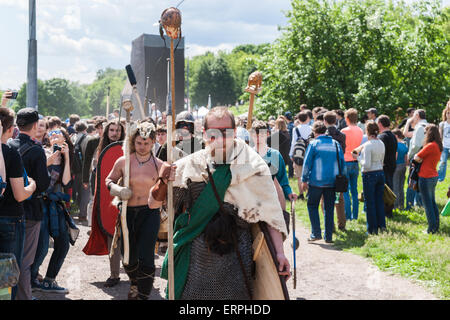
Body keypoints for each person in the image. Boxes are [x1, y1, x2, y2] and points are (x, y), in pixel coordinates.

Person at [149, 106, 290, 300]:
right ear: (205, 134)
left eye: (226, 132)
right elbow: (153, 204)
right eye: (214, 133)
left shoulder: (253, 166)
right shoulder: (189, 166)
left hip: (237, 258)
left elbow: (270, 215)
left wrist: (280, 254)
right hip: (196, 257)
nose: (221, 138)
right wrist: (163, 181)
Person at [106, 121, 163, 300]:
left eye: (146, 143)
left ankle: (143, 295)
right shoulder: (124, 161)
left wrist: (171, 179)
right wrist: (117, 190)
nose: (142, 146)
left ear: (153, 142)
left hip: (150, 213)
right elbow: (109, 180)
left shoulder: (159, 164)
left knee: (146, 255)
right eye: (139, 143)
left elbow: (168, 191)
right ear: (133, 142)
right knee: (128, 258)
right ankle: (135, 283)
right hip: (127, 214)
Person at [8, 108, 51, 300]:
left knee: (7, 259)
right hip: (30, 211)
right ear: (35, 126)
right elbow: (42, 184)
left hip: (6, 209)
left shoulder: (7, 145)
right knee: (24, 261)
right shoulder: (36, 150)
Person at [83, 120, 125, 288]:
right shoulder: (100, 150)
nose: (115, 133)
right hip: (108, 199)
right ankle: (114, 274)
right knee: (111, 235)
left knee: (131, 237)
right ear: (107, 132)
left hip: (127, 197)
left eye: (118, 130)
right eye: (112, 130)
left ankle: (136, 272)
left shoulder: (129, 150)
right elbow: (101, 178)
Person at [0, 109, 37, 300]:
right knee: (7, 274)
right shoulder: (11, 154)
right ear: (10, 129)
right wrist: (31, 185)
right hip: (10, 219)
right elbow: (20, 195)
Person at [30, 128, 72, 294]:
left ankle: (49, 280)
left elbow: (67, 182)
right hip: (40, 203)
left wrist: (66, 157)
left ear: (64, 139)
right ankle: (31, 280)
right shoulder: (41, 152)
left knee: (63, 243)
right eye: (52, 135)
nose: (55, 137)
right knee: (41, 247)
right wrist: (50, 158)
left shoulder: (65, 156)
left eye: (59, 135)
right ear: (48, 137)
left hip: (55, 206)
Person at [301, 121, 345, 243]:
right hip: (332, 181)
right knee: (329, 208)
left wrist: (303, 180)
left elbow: (307, 163)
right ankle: (328, 236)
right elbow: (342, 162)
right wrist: (343, 178)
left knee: (312, 206)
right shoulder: (336, 144)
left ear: (315, 132)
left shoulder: (314, 144)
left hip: (316, 181)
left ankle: (316, 233)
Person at [251, 120, 297, 206]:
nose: (258, 139)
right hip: (252, 199)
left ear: (267, 134)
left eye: (261, 135)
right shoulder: (248, 155)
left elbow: (282, 179)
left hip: (272, 199)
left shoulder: (275, 155)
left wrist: (289, 192)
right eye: (255, 135)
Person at [353, 121, 386, 235]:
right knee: (379, 201)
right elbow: (382, 160)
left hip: (369, 174)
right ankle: (382, 225)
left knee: (370, 202)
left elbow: (366, 164)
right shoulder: (381, 143)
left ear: (367, 132)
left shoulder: (367, 145)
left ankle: (371, 229)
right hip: (380, 172)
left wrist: (357, 158)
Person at [414, 124, 442, 234]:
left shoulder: (430, 145)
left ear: (429, 133)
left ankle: (431, 229)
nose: (424, 135)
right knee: (432, 202)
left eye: (425, 133)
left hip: (425, 176)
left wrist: (419, 159)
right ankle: (436, 225)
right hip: (433, 175)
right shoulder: (438, 145)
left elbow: (417, 157)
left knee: (427, 204)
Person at [323, 111, 347, 231]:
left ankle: (329, 225)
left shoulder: (323, 136)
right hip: (338, 170)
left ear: (325, 121)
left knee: (325, 199)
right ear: (336, 121)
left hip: (325, 170)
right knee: (339, 199)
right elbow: (343, 152)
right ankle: (342, 223)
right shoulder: (342, 135)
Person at [340, 108, 364, 221]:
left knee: (345, 190)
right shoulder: (360, 130)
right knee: (354, 190)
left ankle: (348, 215)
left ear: (347, 118)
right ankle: (355, 215)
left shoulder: (344, 131)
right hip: (355, 161)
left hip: (345, 161)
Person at [406, 109, 427, 210]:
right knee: (420, 181)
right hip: (425, 158)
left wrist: (409, 156)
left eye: (414, 116)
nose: (412, 118)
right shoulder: (429, 126)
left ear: (417, 115)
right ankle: (419, 204)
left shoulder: (419, 128)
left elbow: (416, 145)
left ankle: (410, 205)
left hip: (416, 157)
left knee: (412, 181)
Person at [377, 115, 397, 218]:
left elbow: (380, 152)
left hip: (384, 166)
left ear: (380, 124)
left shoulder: (382, 137)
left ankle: (386, 212)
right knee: (390, 189)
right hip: (392, 165)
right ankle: (389, 210)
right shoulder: (393, 135)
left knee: (384, 191)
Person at [290, 111, 312, 199]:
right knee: (309, 174)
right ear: (307, 118)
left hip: (298, 153)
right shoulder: (311, 128)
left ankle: (301, 194)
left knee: (299, 175)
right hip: (308, 152)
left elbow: (293, 142)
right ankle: (309, 192)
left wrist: (291, 154)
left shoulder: (295, 129)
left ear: (298, 119)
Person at [72, 121, 90, 222]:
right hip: (85, 169)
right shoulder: (87, 139)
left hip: (74, 169)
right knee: (85, 192)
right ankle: (82, 214)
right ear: (85, 128)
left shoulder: (72, 137)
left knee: (77, 191)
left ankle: (76, 209)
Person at [392, 129, 408, 210]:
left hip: (396, 165)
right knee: (401, 187)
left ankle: (395, 205)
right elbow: (406, 159)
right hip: (403, 166)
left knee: (395, 186)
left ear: (396, 136)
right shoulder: (405, 145)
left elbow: (395, 157)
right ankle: (401, 204)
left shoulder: (396, 145)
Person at [438, 101, 450, 182]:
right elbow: (440, 136)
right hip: (444, 146)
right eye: (448, 113)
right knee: (442, 162)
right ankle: (440, 178)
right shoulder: (442, 124)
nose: (449, 114)